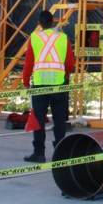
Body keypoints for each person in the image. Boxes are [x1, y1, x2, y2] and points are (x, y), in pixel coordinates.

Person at [22, 10, 75, 163]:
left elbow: (29, 63)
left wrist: (26, 81)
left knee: (38, 120)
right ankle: (61, 154)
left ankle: (39, 153)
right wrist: (65, 77)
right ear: (53, 22)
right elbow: (70, 63)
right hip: (59, 84)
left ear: (40, 23)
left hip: (40, 86)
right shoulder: (63, 38)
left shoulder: (34, 38)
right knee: (59, 120)